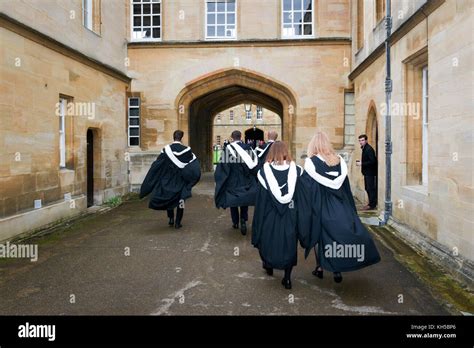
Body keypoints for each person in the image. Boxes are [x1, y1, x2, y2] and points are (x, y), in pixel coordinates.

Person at [298, 131, 381, 283]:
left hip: (321, 205)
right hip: (340, 204)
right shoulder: (340, 160)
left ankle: (320, 267)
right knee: (337, 235)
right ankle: (336, 270)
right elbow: (345, 186)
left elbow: (308, 187)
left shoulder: (310, 162)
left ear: (314, 144)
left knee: (320, 235)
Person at [252, 141, 303, 290]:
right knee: (289, 243)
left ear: (271, 153)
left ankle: (269, 265)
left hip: (270, 213)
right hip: (290, 213)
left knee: (269, 240)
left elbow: (261, 199)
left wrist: (258, 220)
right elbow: (301, 197)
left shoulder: (263, 173)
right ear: (286, 151)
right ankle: (287, 279)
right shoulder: (298, 171)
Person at [139, 130, 201, 229]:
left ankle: (171, 219)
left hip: (168, 179)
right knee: (181, 201)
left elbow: (157, 165)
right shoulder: (187, 150)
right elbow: (193, 166)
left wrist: (152, 180)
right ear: (181, 138)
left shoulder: (166, 150)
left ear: (173, 137)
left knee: (169, 198)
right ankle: (178, 222)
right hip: (181, 179)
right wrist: (191, 180)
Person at [214, 130, 258, 235]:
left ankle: (235, 222)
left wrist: (220, 179)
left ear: (232, 137)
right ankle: (243, 219)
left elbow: (224, 167)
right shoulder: (248, 148)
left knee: (233, 201)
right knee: (244, 200)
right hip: (245, 180)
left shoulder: (227, 149)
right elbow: (254, 166)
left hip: (232, 181)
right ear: (241, 136)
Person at [357, 134, 378, 210]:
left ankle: (372, 205)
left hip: (370, 173)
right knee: (367, 188)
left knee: (370, 188)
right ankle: (370, 203)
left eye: (362, 140)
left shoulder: (369, 149)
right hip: (367, 172)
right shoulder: (364, 148)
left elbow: (373, 161)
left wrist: (362, 163)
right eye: (359, 140)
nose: (361, 142)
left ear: (366, 140)